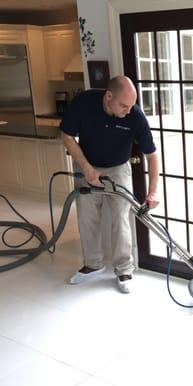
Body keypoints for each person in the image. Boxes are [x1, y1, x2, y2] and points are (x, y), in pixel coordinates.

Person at [60, 76, 159, 293]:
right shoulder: (83, 103)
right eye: (123, 105)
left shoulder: (134, 115)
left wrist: (152, 192)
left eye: (131, 105)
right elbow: (66, 136)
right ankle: (93, 264)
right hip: (87, 165)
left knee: (120, 217)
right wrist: (85, 167)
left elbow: (152, 155)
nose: (127, 110)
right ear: (109, 96)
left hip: (118, 169)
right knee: (87, 217)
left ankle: (124, 268)